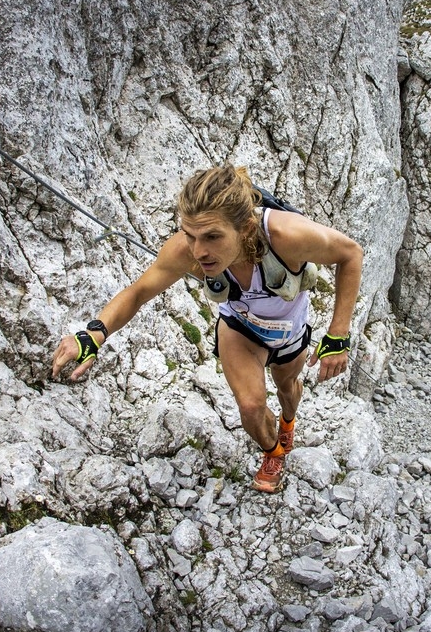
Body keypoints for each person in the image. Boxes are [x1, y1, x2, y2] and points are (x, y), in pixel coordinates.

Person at [50, 164, 364, 493]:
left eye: (212, 236)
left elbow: (350, 254)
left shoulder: (286, 235)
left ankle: (288, 421)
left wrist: (337, 336)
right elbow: (138, 292)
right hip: (240, 330)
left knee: (288, 392)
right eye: (190, 234)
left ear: (245, 228)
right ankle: (274, 452)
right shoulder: (187, 252)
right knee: (250, 406)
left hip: (289, 333)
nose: (199, 251)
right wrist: (93, 334)